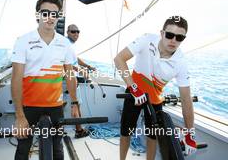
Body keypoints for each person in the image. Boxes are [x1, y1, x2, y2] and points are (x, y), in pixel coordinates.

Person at [114, 16, 197, 160]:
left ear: (184, 38)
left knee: (153, 136)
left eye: (179, 38)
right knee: (126, 132)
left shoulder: (181, 62)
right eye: (170, 35)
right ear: (162, 33)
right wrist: (133, 87)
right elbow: (119, 59)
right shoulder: (146, 40)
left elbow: (186, 99)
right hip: (134, 92)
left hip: (155, 99)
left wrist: (190, 133)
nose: (173, 40)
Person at [11, 0, 79, 160]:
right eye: (45, 12)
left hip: (56, 107)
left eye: (54, 14)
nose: (50, 17)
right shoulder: (23, 41)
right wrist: (19, 116)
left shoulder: (64, 44)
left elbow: (70, 75)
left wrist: (75, 103)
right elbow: (16, 79)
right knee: (22, 150)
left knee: (57, 150)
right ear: (38, 15)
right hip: (29, 106)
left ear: (58, 17)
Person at [63, 24, 96, 138]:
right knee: (75, 104)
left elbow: (75, 60)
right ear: (67, 32)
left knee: (64, 105)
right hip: (69, 79)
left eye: (78, 31)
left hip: (65, 79)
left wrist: (88, 66)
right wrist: (83, 72)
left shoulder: (69, 44)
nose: (76, 34)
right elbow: (67, 64)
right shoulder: (67, 44)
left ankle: (58, 130)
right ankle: (79, 131)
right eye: (73, 31)